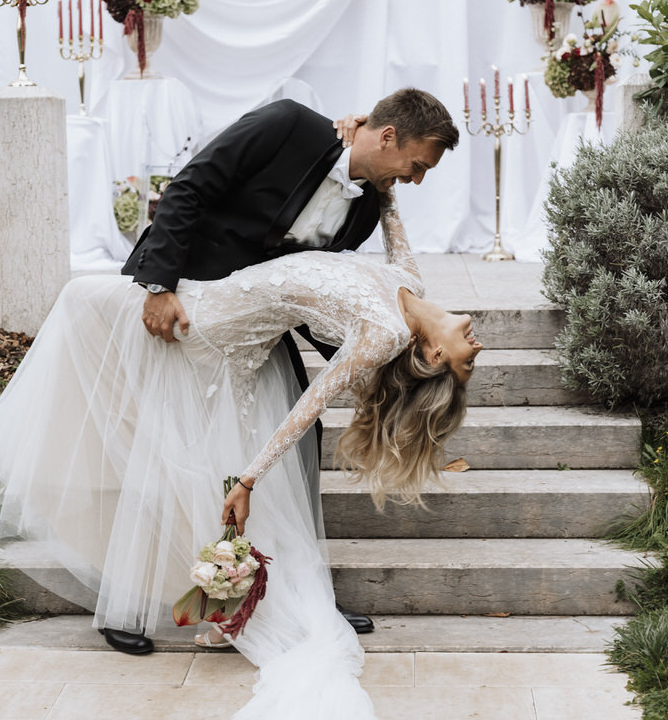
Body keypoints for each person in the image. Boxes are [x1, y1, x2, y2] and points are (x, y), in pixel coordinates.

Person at [0, 185, 480, 719]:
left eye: (466, 363)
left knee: (83, 308)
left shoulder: (384, 333)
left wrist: (249, 479)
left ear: (436, 354)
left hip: (208, 331)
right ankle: (210, 608)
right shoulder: (409, 283)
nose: (477, 349)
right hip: (214, 302)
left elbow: (311, 404)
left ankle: (197, 606)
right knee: (116, 376)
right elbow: (392, 213)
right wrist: (384, 181)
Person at [115, 87, 460, 653]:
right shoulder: (288, 124)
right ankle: (127, 604)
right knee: (174, 454)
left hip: (254, 331)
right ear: (389, 135)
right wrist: (160, 284)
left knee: (298, 446)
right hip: (189, 307)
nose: (416, 179)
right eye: (415, 166)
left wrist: (385, 369)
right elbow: (189, 185)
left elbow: (307, 288)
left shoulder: (369, 205)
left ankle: (300, 592)